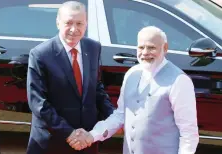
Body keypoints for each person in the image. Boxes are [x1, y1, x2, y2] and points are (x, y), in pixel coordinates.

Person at [69, 26, 199, 154]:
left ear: (165, 48)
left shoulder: (179, 80)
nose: (145, 52)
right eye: (141, 47)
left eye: (151, 47)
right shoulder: (132, 73)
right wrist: (92, 135)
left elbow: (188, 132)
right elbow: (120, 115)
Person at [26, 1, 114, 154]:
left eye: (79, 23)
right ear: (58, 22)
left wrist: (113, 119)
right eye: (69, 23)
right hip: (52, 142)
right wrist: (69, 133)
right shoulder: (40, 54)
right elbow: (38, 103)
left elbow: (96, 88)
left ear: (86, 24)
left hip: (86, 140)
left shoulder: (93, 48)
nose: (74, 29)